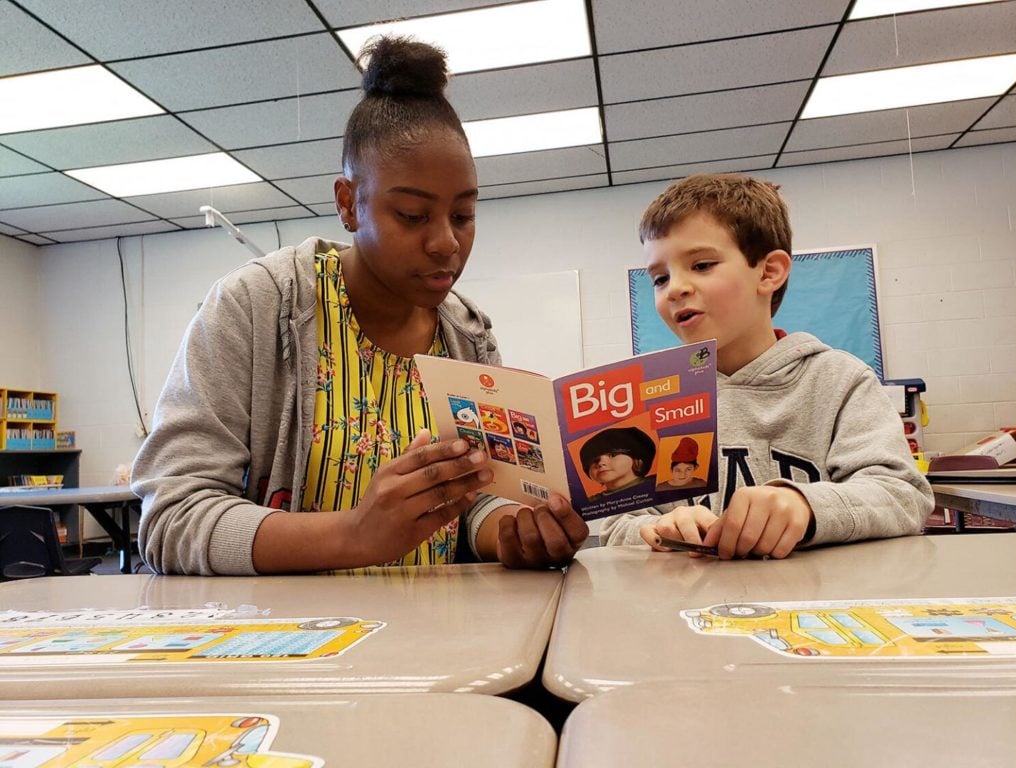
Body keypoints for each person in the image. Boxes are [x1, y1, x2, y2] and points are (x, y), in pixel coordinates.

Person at [131, 36, 588, 575]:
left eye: (463, 216)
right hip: (293, 646)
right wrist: (355, 535)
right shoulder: (255, 306)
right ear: (349, 203)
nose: (446, 242)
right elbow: (172, 518)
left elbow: (474, 502)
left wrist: (512, 534)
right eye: (414, 216)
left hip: (446, 640)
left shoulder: (467, 336)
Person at [600, 173, 933, 559]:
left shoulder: (839, 380)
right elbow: (616, 524)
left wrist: (804, 505)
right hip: (684, 603)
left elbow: (902, 495)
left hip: (816, 603)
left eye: (702, 265)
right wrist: (654, 530)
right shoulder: (647, 396)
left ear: (769, 272)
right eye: (660, 278)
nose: (674, 288)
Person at [580, 427, 656, 501]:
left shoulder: (660, 486)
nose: (600, 463)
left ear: (636, 459)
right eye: (594, 460)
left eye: (613, 455)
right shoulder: (590, 504)